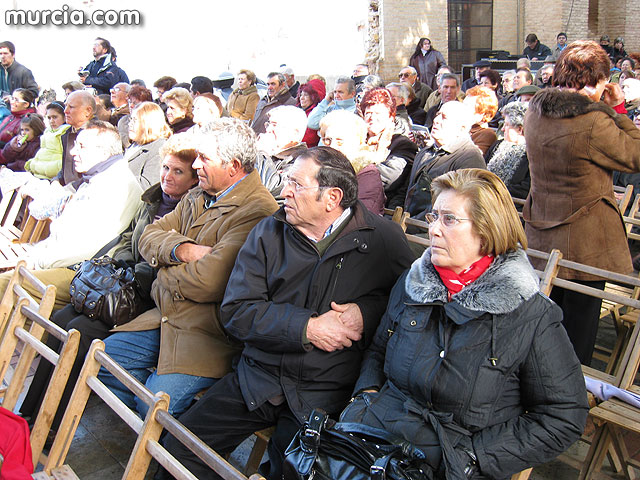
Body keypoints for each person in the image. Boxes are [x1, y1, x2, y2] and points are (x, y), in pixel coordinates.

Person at [159, 146, 414, 480]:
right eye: (286, 181)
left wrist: (366, 312)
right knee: (176, 450)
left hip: (326, 391)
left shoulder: (382, 239)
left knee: (294, 472)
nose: (284, 191)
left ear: (331, 197)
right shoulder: (269, 232)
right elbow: (236, 311)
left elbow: (408, 307)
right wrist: (306, 328)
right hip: (257, 378)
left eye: (296, 184)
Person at [341, 168, 588, 479]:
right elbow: (378, 350)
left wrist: (475, 456)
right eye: (434, 217)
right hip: (373, 440)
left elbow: (564, 415)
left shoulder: (530, 315)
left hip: (447, 463)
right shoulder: (413, 283)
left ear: (487, 231)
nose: (433, 230)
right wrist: (364, 398)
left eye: (450, 219)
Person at [19, 133, 201, 432]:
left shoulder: (188, 212)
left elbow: (168, 263)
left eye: (178, 171)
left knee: (80, 332)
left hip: (149, 299)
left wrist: (134, 272)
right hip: (123, 285)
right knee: (61, 320)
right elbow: (130, 238)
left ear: (193, 180)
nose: (167, 176)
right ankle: (30, 412)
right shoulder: (152, 200)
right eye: (165, 168)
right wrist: (117, 266)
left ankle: (52, 424)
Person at [97, 118, 279, 417]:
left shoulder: (258, 210)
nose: (195, 165)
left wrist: (162, 270)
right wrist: (183, 250)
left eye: (204, 158)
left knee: (152, 405)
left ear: (233, 166)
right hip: (165, 316)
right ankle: (155, 428)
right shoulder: (199, 194)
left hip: (207, 334)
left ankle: (163, 445)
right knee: (104, 361)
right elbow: (147, 237)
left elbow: (210, 282)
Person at [523, 40, 640, 365]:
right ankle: (571, 407)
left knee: (546, 325)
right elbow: (636, 155)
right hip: (584, 242)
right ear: (596, 80)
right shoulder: (591, 122)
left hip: (542, 234)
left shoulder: (536, 110)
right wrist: (617, 108)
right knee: (578, 334)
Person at [0, 120, 143, 308]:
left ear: (104, 153)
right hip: (68, 263)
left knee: (3, 285)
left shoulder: (115, 185)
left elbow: (82, 248)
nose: (73, 152)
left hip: (82, 272)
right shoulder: (100, 177)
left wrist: (35, 260)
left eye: (82, 146)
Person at [404, 101, 485, 218]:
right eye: (437, 115)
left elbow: (459, 206)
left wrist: (410, 224)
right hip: (407, 221)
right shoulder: (425, 152)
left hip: (434, 227)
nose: (436, 120)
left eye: (444, 118)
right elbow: (405, 190)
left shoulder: (470, 157)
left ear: (462, 128)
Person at [320, 110, 386, 214]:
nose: (332, 146)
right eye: (327, 140)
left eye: (339, 141)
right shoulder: (319, 166)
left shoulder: (367, 173)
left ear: (358, 142)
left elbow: (360, 216)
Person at [360, 87, 418, 207]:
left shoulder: (402, 144)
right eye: (368, 113)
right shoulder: (357, 142)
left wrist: (349, 179)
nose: (372, 118)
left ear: (390, 117)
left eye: (378, 113)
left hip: (386, 207)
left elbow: (389, 177)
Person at [255, 105, 309, 199]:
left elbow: (272, 189)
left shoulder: (301, 160)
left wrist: (262, 153)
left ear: (294, 133)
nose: (268, 130)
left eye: (275, 125)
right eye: (268, 124)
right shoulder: (271, 153)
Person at [486, 102, 530, 199]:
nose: (502, 129)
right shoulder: (497, 145)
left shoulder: (531, 154)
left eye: (506, 125)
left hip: (510, 203)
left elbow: (525, 189)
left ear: (520, 129)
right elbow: (482, 169)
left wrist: (494, 190)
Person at [125, 102, 172, 189]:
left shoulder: (159, 148)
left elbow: (148, 185)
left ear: (148, 123)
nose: (129, 124)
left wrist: (116, 176)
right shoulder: (134, 144)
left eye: (135, 120)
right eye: (130, 119)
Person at [24, 101, 70, 179]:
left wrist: (45, 169)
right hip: (38, 172)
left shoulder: (66, 132)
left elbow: (65, 161)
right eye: (49, 118)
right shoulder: (47, 131)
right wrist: (32, 164)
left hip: (52, 175)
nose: (51, 121)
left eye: (55, 117)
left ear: (64, 117)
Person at [464, 86, 498, 155]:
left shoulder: (486, 134)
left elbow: (472, 158)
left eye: (467, 106)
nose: (462, 109)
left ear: (482, 113)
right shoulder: (459, 127)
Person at [297, 79, 325, 147]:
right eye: (301, 95)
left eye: (306, 95)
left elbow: (309, 138)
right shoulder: (298, 111)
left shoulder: (316, 115)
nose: (302, 98)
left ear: (314, 97)